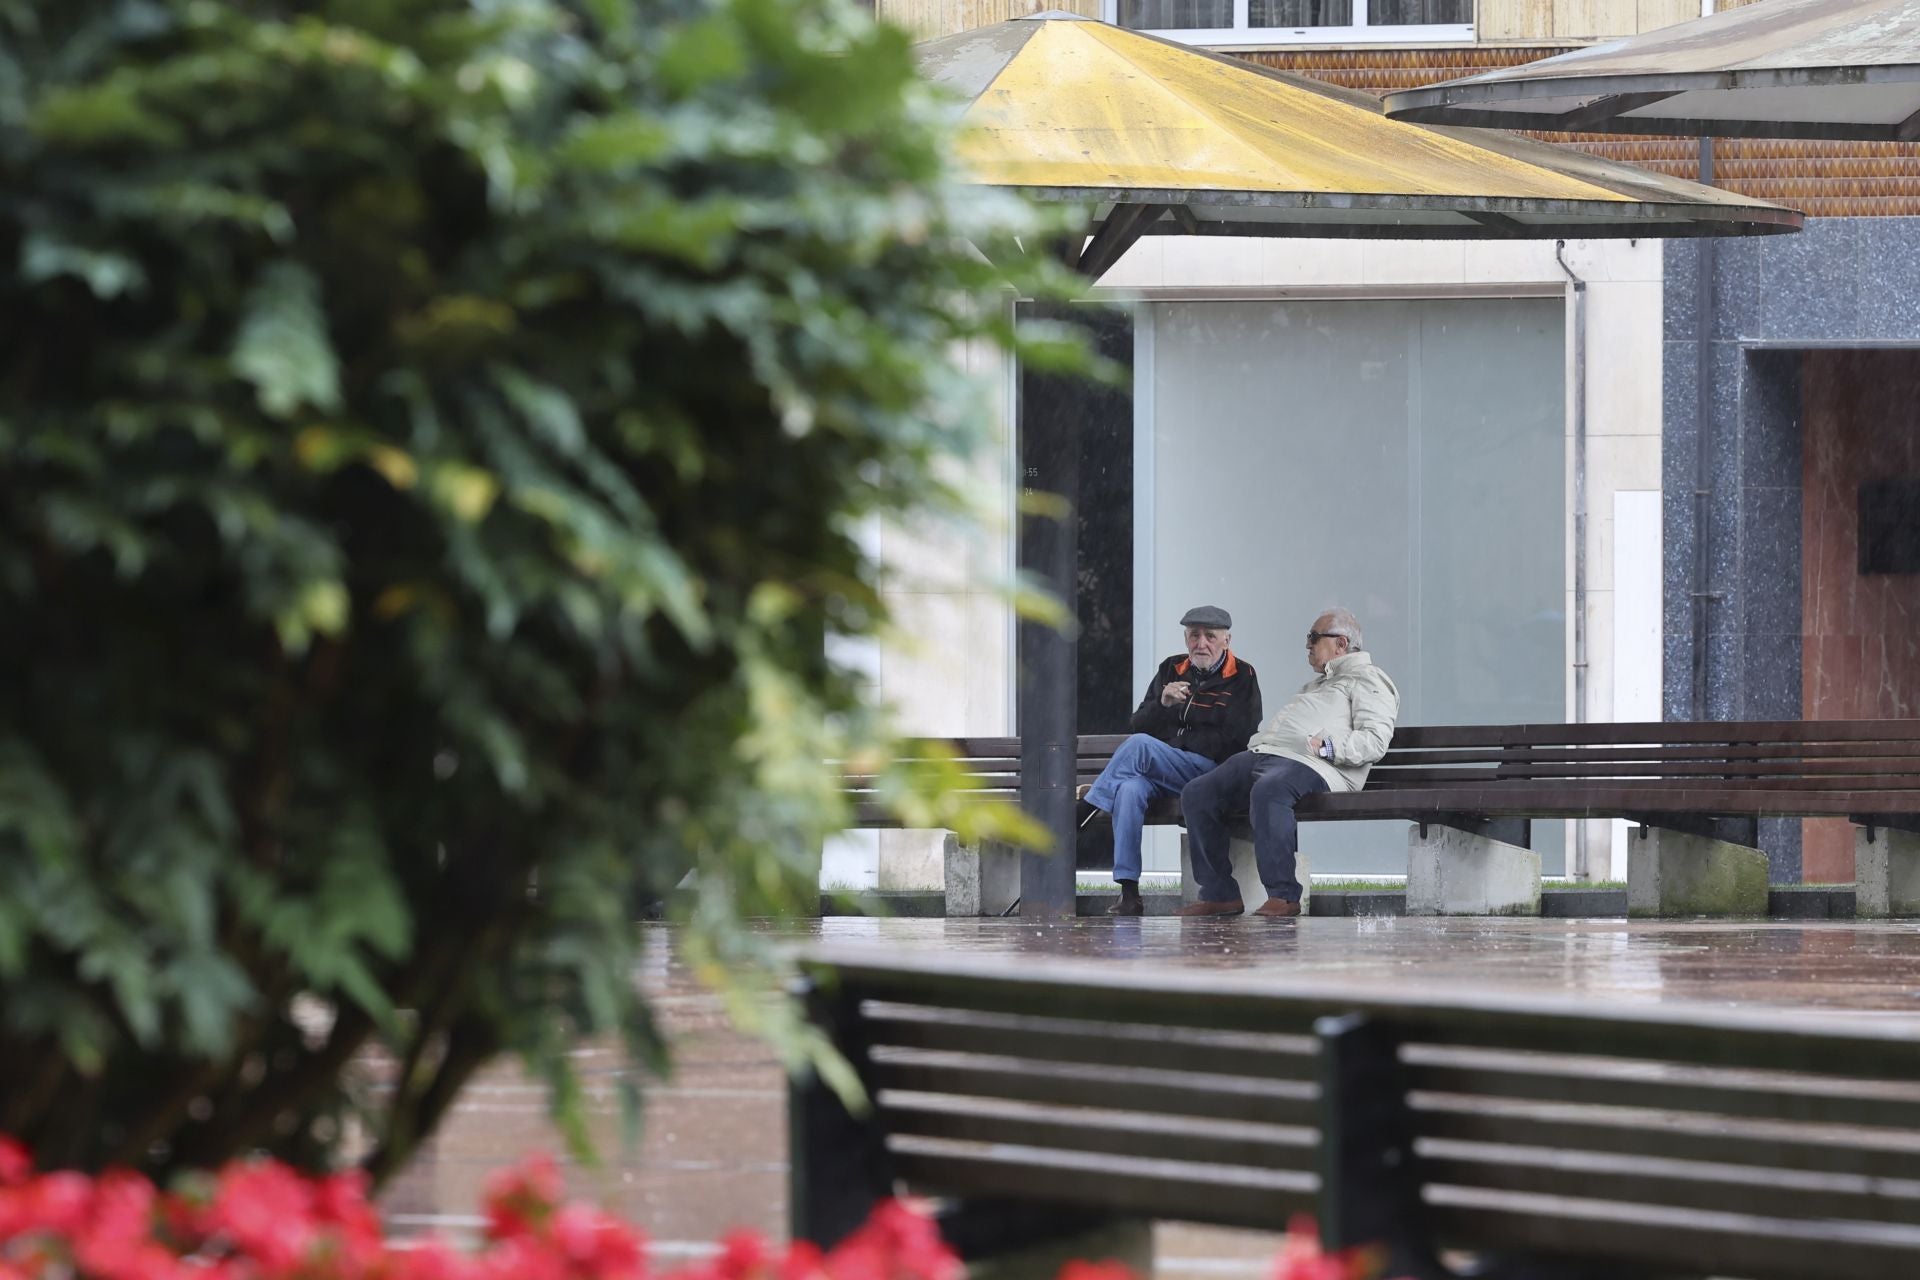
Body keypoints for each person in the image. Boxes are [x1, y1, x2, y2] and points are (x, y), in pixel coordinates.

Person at [1174, 608, 1399, 919]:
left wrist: (1331, 747)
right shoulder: (1318, 684)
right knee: (1197, 793)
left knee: (1270, 790)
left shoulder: (1369, 679)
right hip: (1266, 755)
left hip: (1315, 765)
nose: (1307, 644)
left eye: (1314, 637)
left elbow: (1374, 740)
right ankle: (1219, 894)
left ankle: (1283, 895)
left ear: (1341, 644)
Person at [1080, 605, 1263, 916]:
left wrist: (1184, 726)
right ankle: (1129, 893)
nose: (1201, 643)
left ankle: (1084, 810)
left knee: (1139, 747)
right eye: (1194, 636)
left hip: (1210, 773)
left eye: (1210, 636)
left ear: (1227, 640)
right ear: (1185, 638)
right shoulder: (1170, 668)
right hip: (1163, 771)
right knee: (1129, 790)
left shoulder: (1243, 675)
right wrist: (1163, 704)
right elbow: (1139, 723)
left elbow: (1236, 737)